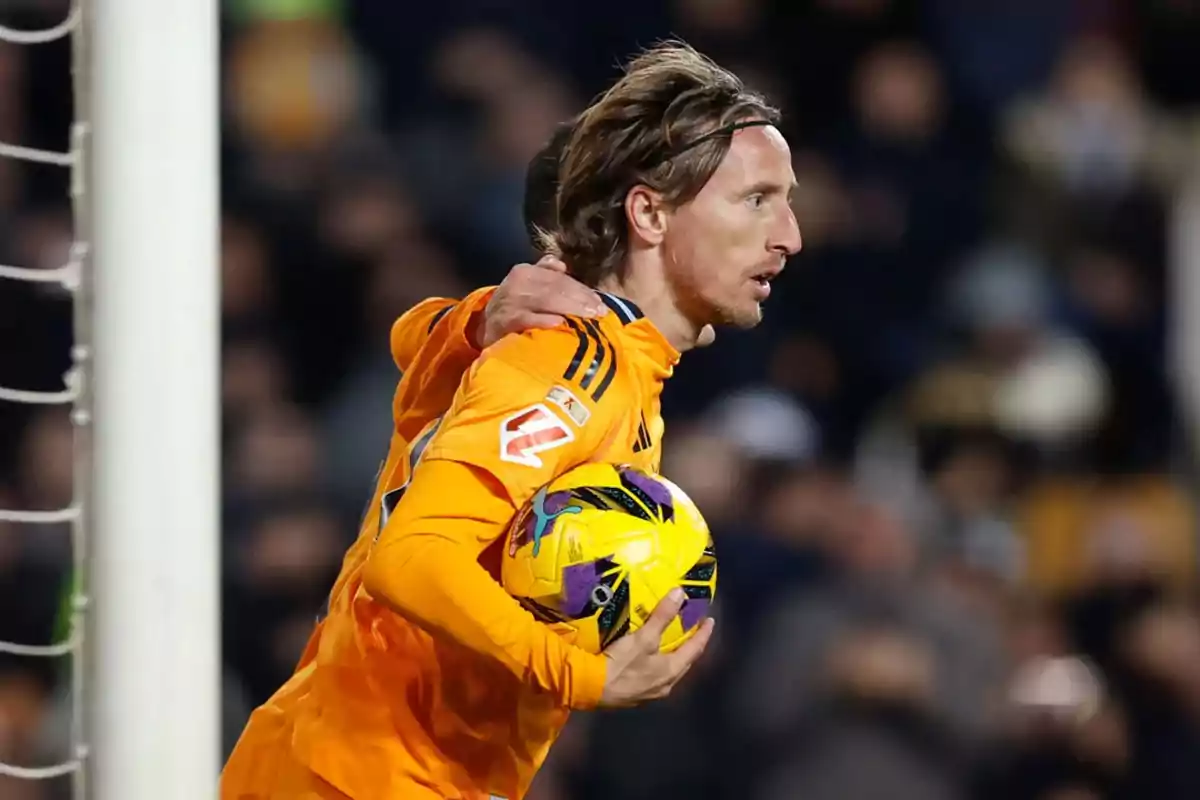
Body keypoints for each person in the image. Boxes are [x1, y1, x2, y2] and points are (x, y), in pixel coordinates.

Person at [223, 41, 800, 800]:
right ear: (650, 212)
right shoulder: (573, 365)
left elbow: (418, 357)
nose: (789, 234)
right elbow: (415, 558)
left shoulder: (601, 367)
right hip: (356, 776)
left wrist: (461, 320)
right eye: (757, 199)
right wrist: (584, 673)